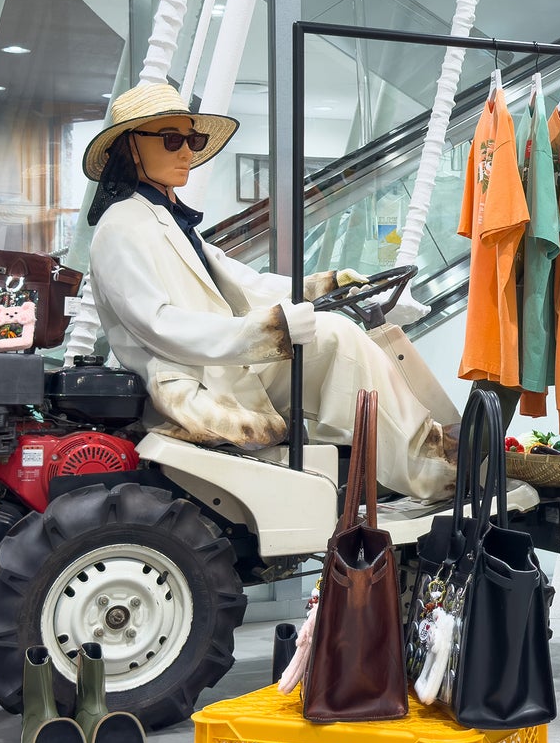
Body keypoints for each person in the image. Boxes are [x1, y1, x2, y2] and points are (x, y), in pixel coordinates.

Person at [83, 82, 456, 501]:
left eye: (193, 140)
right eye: (173, 140)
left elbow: (243, 284)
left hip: (220, 365)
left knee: (337, 336)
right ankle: (430, 469)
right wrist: (270, 328)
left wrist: (326, 284)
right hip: (195, 377)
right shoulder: (121, 227)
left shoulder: (166, 219)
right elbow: (159, 326)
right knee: (337, 335)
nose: (187, 152)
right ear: (131, 147)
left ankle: (422, 454)